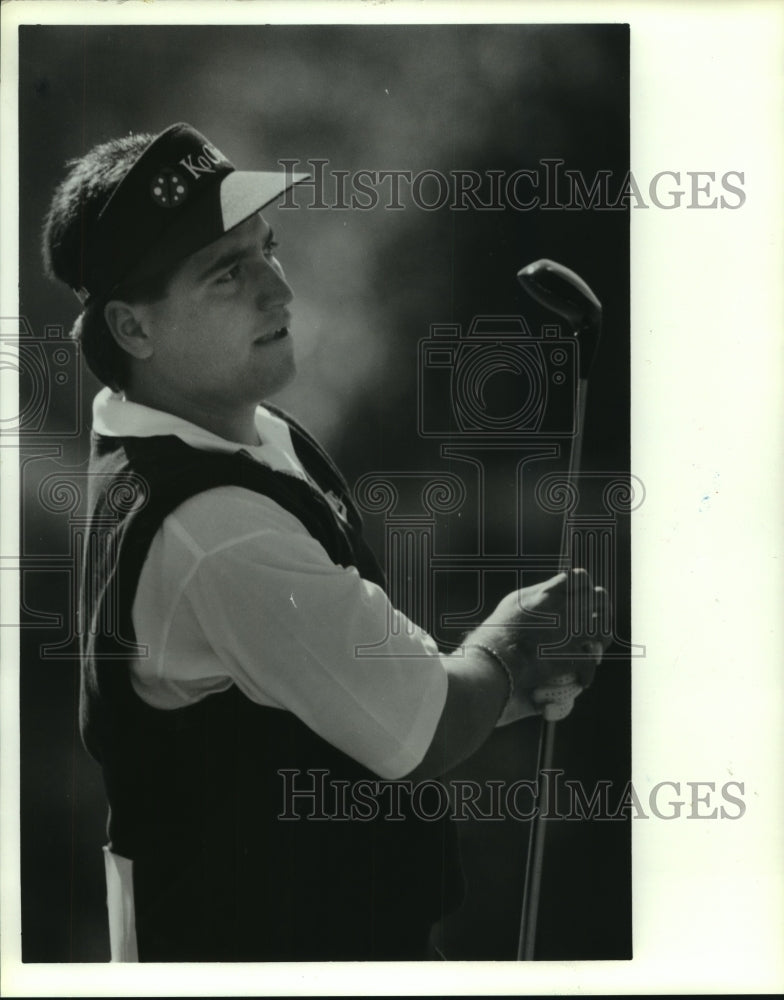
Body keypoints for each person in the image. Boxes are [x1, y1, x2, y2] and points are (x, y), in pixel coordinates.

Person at [42, 122, 610, 962]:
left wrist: (515, 678)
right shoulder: (214, 525)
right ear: (132, 329)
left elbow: (339, 693)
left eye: (269, 250)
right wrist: (507, 646)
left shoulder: (237, 433)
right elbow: (423, 731)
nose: (279, 291)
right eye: (228, 274)